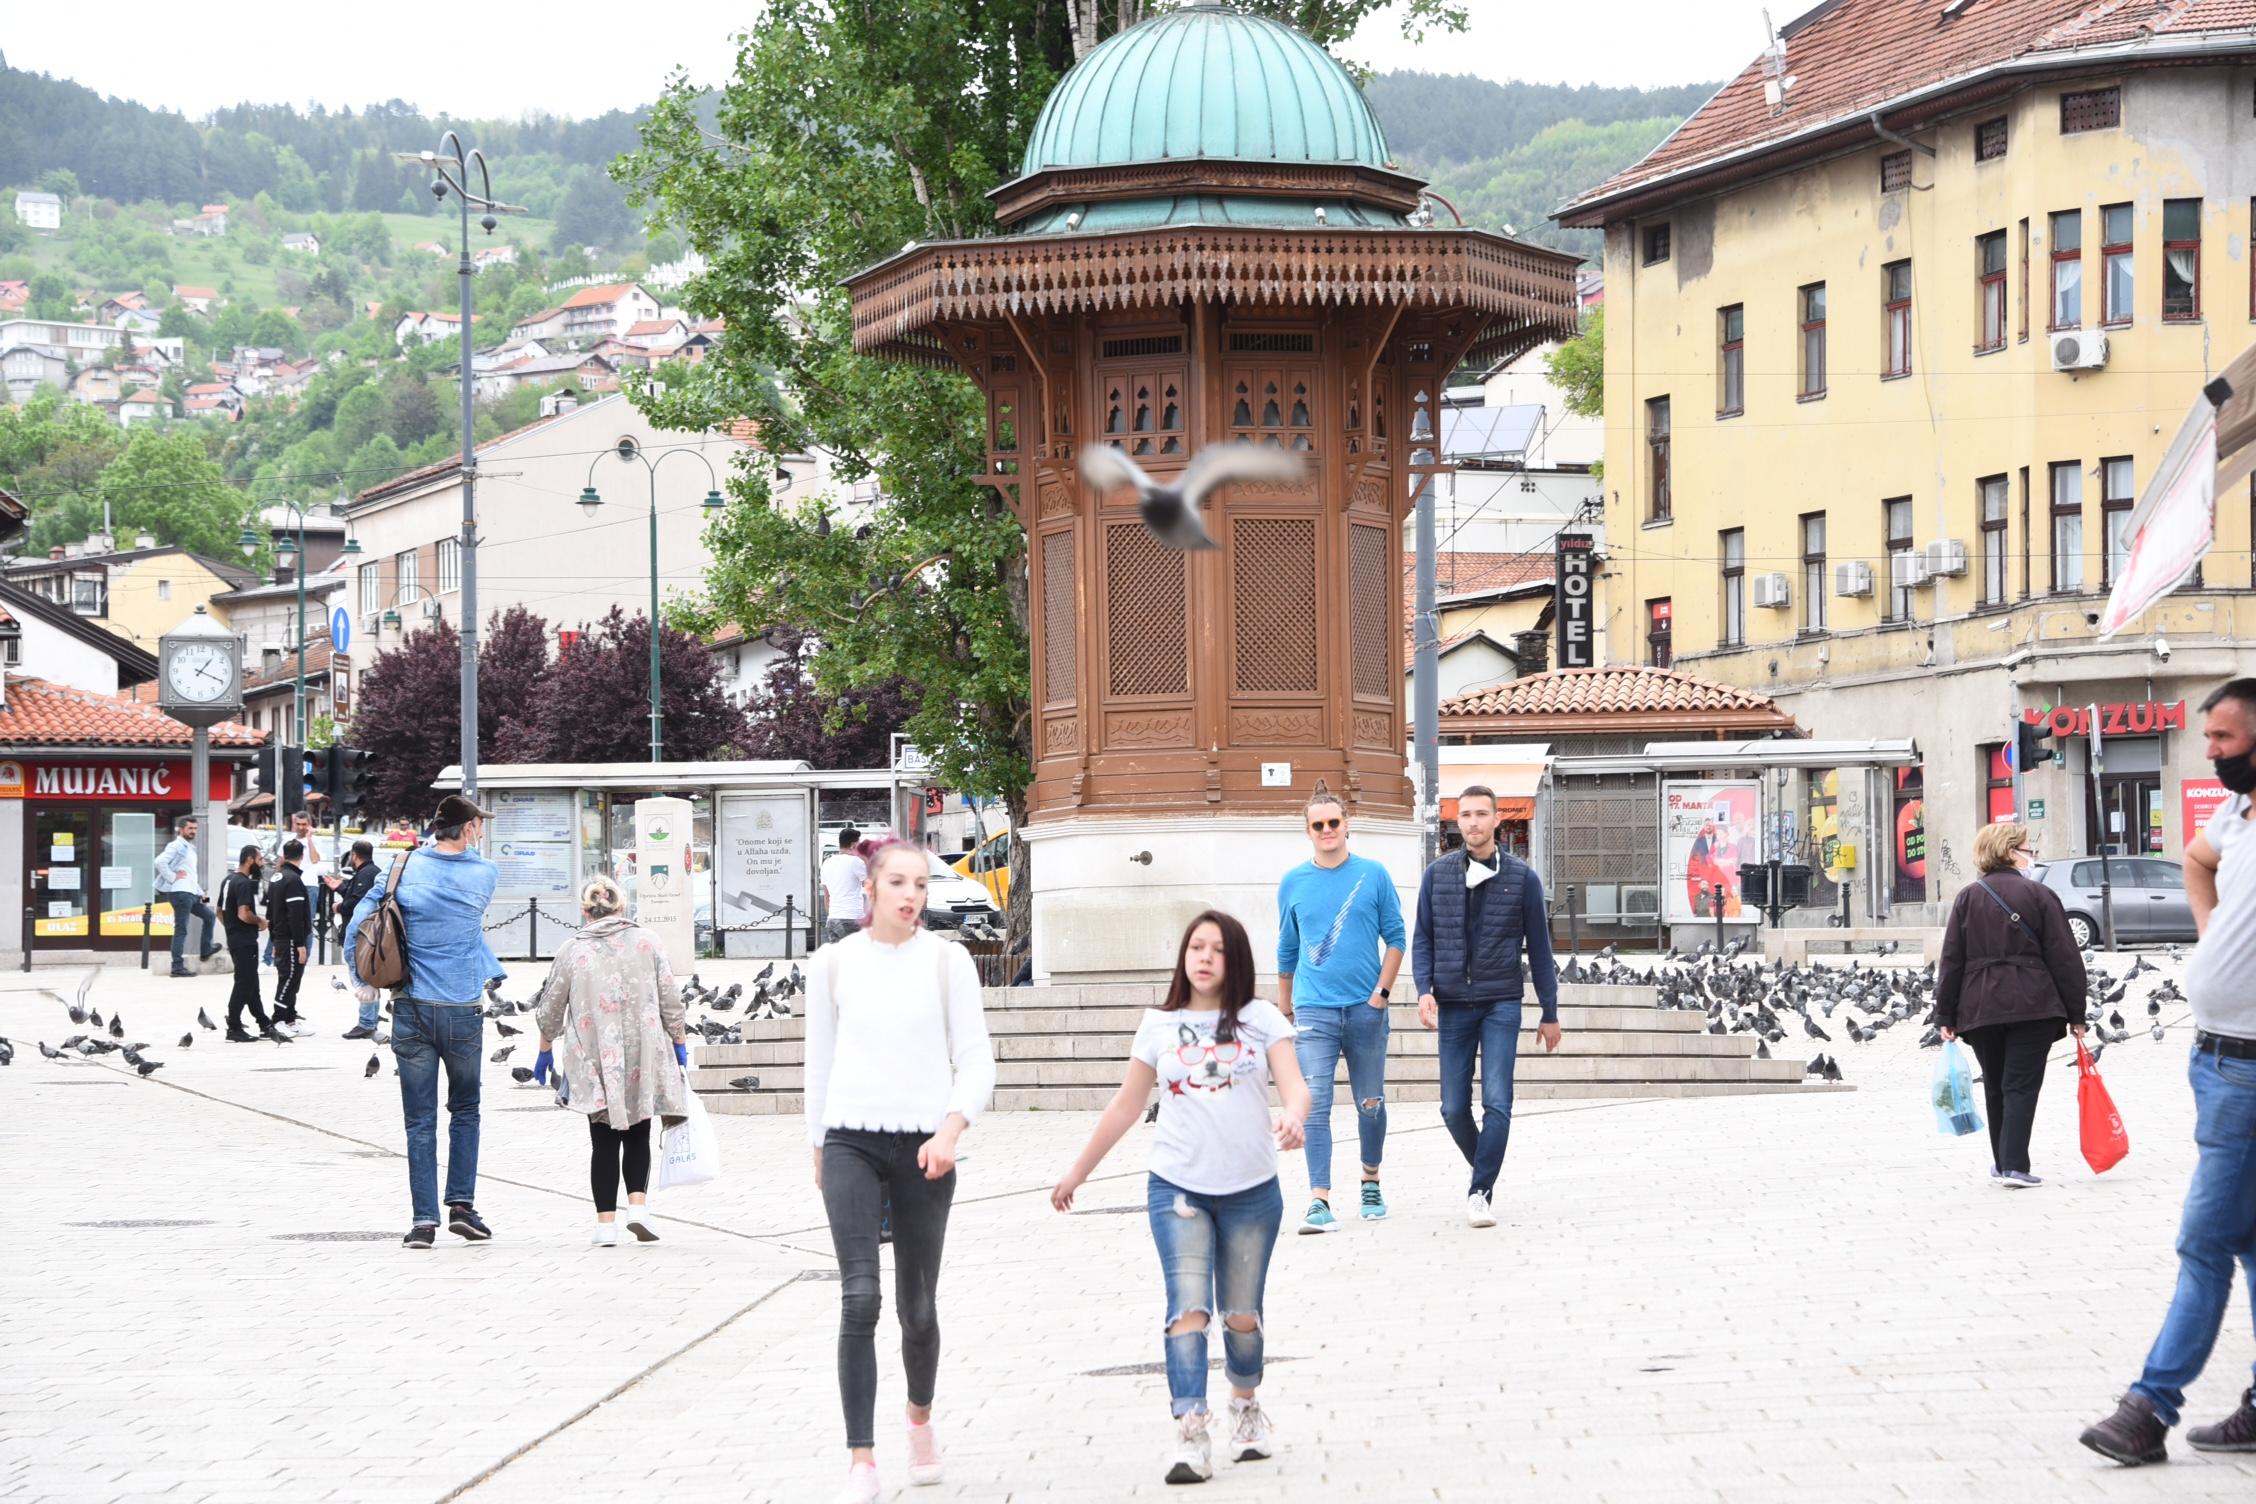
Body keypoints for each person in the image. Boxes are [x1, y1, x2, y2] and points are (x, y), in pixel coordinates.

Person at [1051, 910, 1310, 1485]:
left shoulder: (1261, 1018)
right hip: (1177, 1189)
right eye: (1196, 947)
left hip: (1252, 1192)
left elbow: (1296, 1085)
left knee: (1241, 1316)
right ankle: (1191, 1428)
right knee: (1187, 1311)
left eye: (1217, 949)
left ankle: (1245, 1406)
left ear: (1235, 958)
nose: (1205, 957)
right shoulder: (1159, 1025)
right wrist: (1078, 1173)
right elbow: (1125, 1104)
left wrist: (1293, 1118)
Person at [2083, 679, 2256, 1464]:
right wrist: (2214, 930)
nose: (2211, 753)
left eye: (2223, 739)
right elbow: (2196, 861)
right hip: (2214, 1060)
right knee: (2247, 1242)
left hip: (2249, 1071)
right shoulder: (2237, 814)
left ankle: (2149, 1408)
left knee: (2202, 1240)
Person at [804, 840, 995, 1504]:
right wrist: (818, 1145)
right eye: (897, 883)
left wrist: (951, 1128)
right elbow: (819, 1066)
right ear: (870, 888)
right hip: (852, 1142)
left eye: (919, 884)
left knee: (917, 1309)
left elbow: (977, 1061)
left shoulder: (949, 963)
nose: (911, 896)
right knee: (861, 1298)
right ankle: (861, 1457)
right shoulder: (832, 965)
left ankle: (919, 1417)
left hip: (925, 1148)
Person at [343, 794, 506, 1251]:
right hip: (461, 1010)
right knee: (466, 1110)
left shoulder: (403, 867)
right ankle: (462, 1206)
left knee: (419, 1121)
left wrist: (362, 981)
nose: (481, 832)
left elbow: (358, 923)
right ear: (469, 829)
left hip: (410, 1006)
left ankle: (423, 1222)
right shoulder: (484, 874)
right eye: (478, 825)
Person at [1412, 784, 1562, 1228]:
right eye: (1466, 815)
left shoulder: (1521, 878)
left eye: (1482, 814)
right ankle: (1486, 1168)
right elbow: (1423, 938)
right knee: (1452, 1108)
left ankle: (1480, 1191)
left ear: (1497, 820)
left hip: (1500, 1001)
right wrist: (1424, 989)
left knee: (1497, 1101)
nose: (1473, 822)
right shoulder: (1437, 875)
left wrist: (1549, 1012)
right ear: (1457, 822)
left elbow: (1539, 948)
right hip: (1453, 1003)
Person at [531, 875, 690, 1246]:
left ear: (585, 912)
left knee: (601, 1140)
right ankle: (638, 1207)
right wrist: (679, 1042)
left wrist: (544, 1049)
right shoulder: (648, 941)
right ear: (622, 907)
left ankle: (605, 1226)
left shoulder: (573, 949)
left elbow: (551, 1007)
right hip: (644, 1050)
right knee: (639, 1132)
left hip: (594, 1053)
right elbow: (671, 999)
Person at [1275, 779, 1404, 1232]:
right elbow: (1286, 950)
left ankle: (1370, 1179)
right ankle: (1319, 1198)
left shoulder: (1374, 874)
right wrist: (1286, 1007)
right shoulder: (1292, 882)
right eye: (1318, 825)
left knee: (1370, 1101)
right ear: (1307, 831)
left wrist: (1380, 996)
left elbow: (1397, 938)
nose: (1327, 830)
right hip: (1314, 1012)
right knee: (1315, 1102)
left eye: (1333, 822)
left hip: (1366, 1009)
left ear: (1347, 825)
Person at [1933, 821, 2087, 1187]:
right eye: (2025, 848)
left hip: (1979, 1005)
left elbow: (1951, 959)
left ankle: (2003, 1163)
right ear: (2009, 852)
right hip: (2033, 1003)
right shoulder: (2039, 895)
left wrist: (1945, 1013)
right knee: (2020, 1085)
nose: (2030, 855)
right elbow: (2065, 958)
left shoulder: (1968, 897)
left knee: (1996, 1084)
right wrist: (2076, 1013)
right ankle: (2015, 1165)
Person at [217, 846, 285, 1043]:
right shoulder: (244, 883)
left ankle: (264, 1024)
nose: (262, 863)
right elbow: (244, 913)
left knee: (251, 984)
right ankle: (234, 1027)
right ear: (249, 860)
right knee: (243, 984)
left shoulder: (228, 880)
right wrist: (261, 922)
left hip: (235, 939)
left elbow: (219, 911)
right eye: (260, 859)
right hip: (245, 942)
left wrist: (231, 930)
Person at [155, 815, 218, 977]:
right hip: (180, 893)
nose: (193, 832)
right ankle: (177, 967)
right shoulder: (176, 845)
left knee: (209, 916)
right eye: (190, 828)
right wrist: (172, 877)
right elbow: (159, 862)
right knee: (181, 929)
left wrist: (200, 892)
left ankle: (206, 950)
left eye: (195, 829)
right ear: (181, 829)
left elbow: (190, 874)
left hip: (190, 892)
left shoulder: (189, 847)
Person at [264, 839, 314, 1036]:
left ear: (284, 855)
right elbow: (294, 914)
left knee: (292, 979)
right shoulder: (293, 880)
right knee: (289, 980)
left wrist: (274, 939)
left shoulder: (277, 877)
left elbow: (270, 913)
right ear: (302, 856)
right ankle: (278, 1020)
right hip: (292, 940)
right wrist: (300, 944)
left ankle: (290, 1019)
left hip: (282, 938)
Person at [336, 842, 382, 1039]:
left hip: (364, 936)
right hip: (370, 934)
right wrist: (340, 887)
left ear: (354, 855)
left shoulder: (366, 874)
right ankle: (369, 1020)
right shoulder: (373, 872)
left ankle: (366, 1023)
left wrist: (339, 907)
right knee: (369, 978)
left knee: (364, 978)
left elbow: (358, 904)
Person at [821, 826, 869, 944]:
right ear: (853, 845)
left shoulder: (827, 863)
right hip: (851, 918)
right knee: (855, 958)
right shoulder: (855, 862)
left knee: (839, 959)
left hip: (833, 919)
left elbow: (827, 895)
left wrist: (832, 913)